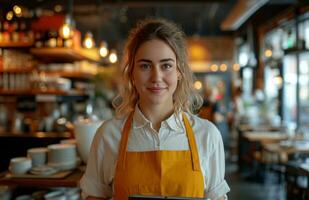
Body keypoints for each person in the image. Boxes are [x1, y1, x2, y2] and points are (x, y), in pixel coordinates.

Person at [80, 18, 230, 200]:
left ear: (179, 72)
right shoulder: (108, 135)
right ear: (132, 74)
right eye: (145, 66)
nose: (156, 77)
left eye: (166, 65)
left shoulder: (207, 135)